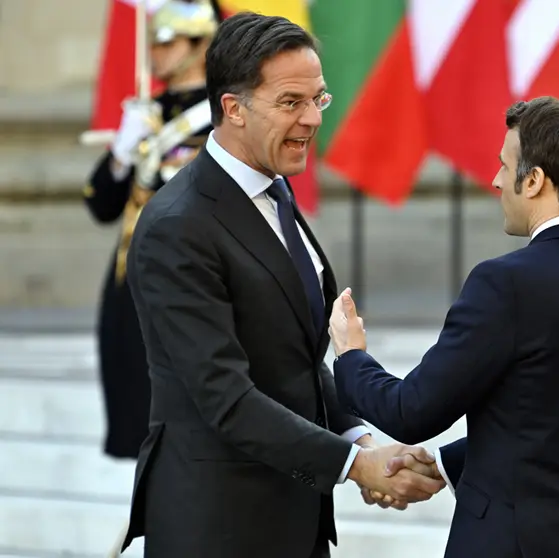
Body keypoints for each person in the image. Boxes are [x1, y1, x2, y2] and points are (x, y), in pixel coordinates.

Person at [119, 12, 444, 558]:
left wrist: (360, 441)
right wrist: (355, 466)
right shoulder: (178, 225)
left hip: (294, 522)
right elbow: (225, 397)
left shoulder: (274, 192)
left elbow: (291, 360)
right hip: (217, 529)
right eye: (291, 102)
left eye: (319, 99)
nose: (312, 119)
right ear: (233, 109)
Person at [328, 97, 559, 558]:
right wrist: (445, 467)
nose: (494, 180)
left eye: (503, 165)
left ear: (533, 181)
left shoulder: (506, 283)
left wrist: (351, 356)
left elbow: (411, 412)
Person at [84, 0, 217, 460]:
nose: (155, 53)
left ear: (202, 45)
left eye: (168, 42)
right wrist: (122, 153)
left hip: (190, 277)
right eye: (154, 42)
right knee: (135, 418)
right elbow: (100, 204)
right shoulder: (145, 111)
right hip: (133, 279)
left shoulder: (221, 113)